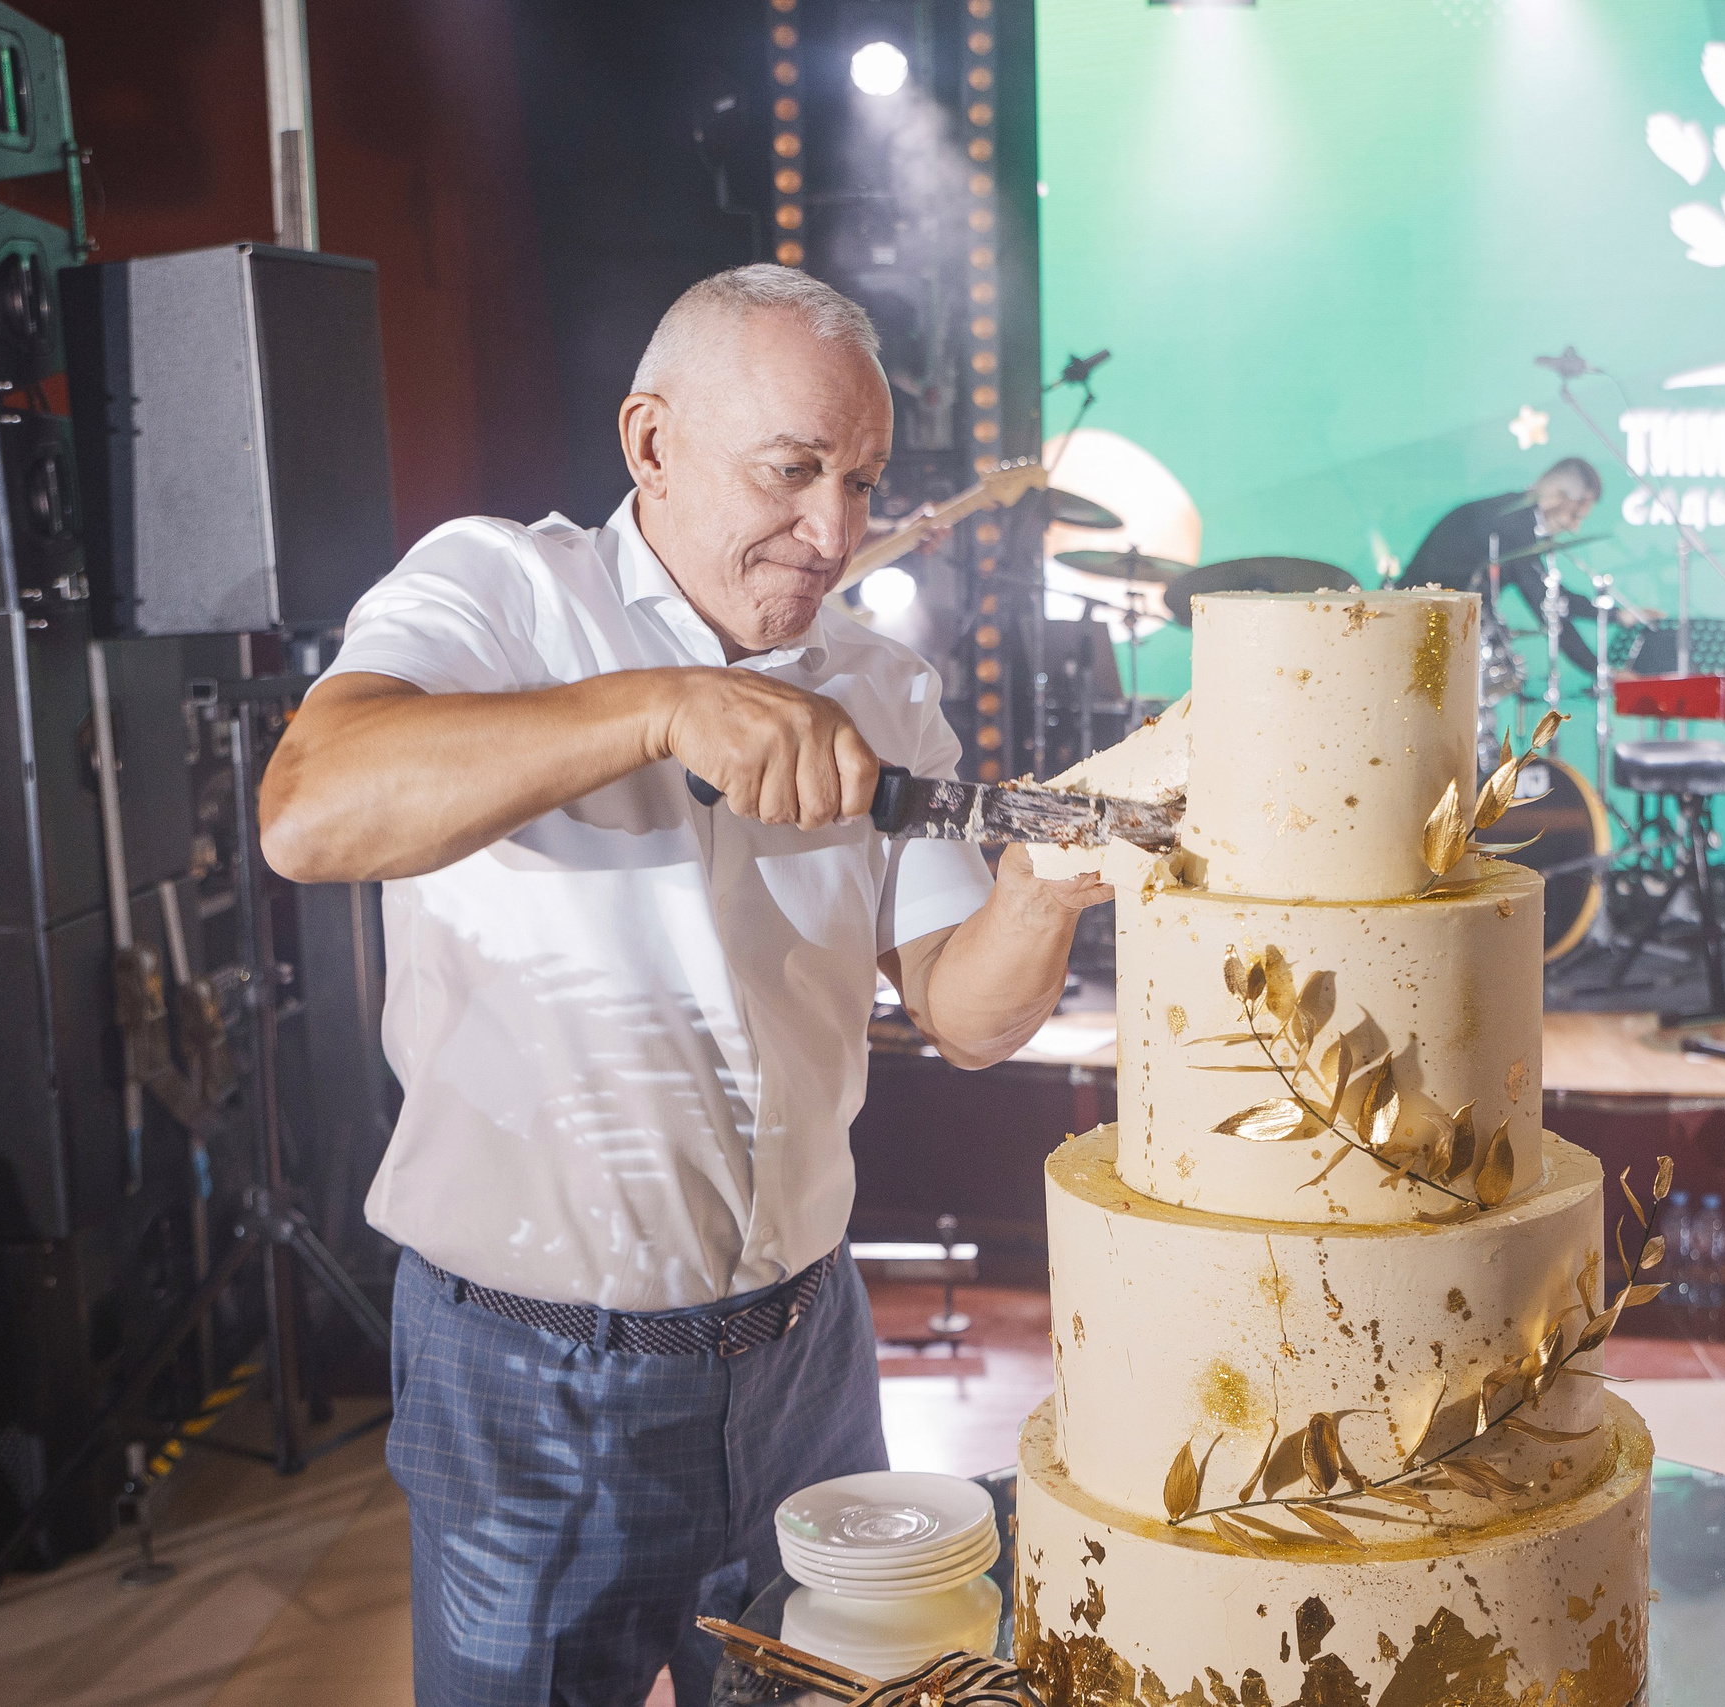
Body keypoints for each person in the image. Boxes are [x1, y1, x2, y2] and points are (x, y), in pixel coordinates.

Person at [258, 266, 1109, 1707]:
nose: (834, 530)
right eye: (791, 471)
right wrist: (657, 705)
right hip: (533, 1367)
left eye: (861, 479)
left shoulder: (880, 681)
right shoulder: (502, 591)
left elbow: (966, 1013)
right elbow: (309, 810)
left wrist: (1048, 883)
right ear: (651, 442)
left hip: (808, 1360)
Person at [1398, 457, 1642, 672]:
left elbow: (1552, 595)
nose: (1574, 528)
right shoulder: (1512, 524)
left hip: (1433, 626)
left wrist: (1616, 616)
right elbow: (1547, 605)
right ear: (1555, 496)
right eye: (1574, 516)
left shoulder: (1512, 515)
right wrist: (1600, 671)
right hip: (1417, 630)